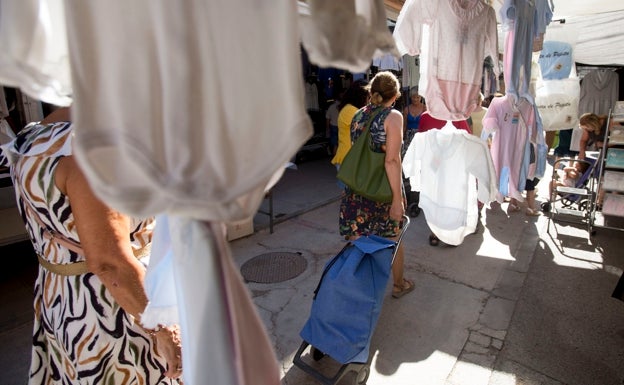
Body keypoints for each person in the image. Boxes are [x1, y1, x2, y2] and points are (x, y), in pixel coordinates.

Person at [0, 107, 182, 385]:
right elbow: (111, 264)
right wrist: (163, 329)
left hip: (63, 299)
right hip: (114, 312)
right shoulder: (92, 153)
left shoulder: (33, 136)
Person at [338, 71, 414, 299]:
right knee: (393, 239)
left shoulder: (358, 115)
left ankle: (356, 290)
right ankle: (399, 285)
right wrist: (396, 200)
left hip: (357, 190)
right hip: (382, 190)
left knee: (359, 241)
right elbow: (391, 160)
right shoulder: (393, 117)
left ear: (371, 92)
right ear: (396, 95)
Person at [331, 79, 370, 189]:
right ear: (361, 96)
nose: (370, 100)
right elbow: (366, 130)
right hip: (349, 159)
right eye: (369, 96)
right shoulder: (350, 111)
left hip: (352, 159)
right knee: (350, 199)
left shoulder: (353, 109)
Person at [325, 92, 342, 156]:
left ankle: (335, 156)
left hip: (333, 126)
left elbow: (327, 118)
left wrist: (327, 128)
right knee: (340, 142)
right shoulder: (342, 106)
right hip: (340, 126)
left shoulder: (331, 107)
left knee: (335, 143)